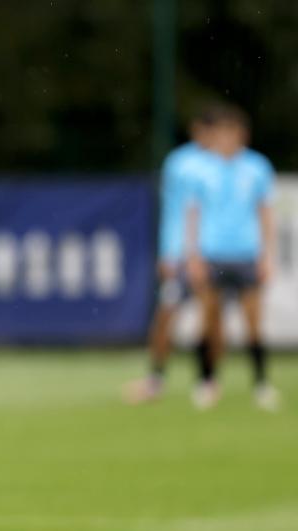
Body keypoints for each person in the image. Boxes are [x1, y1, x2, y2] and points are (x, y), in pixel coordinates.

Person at [186, 104, 279, 411]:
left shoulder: (257, 167)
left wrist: (267, 255)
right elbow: (193, 215)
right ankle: (207, 380)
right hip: (213, 253)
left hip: (246, 253)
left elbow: (265, 213)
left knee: (253, 321)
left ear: (242, 136)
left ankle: (261, 383)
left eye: (232, 133)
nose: (226, 139)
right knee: (209, 320)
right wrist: (193, 255)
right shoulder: (202, 170)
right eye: (221, 134)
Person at [124, 111, 215, 403]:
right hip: (180, 254)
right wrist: (169, 252)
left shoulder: (231, 163)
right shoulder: (180, 162)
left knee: (212, 316)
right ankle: (156, 377)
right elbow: (175, 210)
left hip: (215, 252)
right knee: (167, 314)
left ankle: (207, 380)